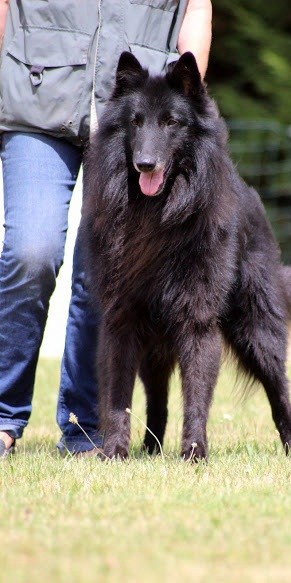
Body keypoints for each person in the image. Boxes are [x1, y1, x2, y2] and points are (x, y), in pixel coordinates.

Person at [0, 0, 212, 458]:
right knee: (29, 252)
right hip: (35, 101)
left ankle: (85, 430)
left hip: (138, 114)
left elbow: (196, 5)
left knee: (104, 279)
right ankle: (3, 417)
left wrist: (189, 93)